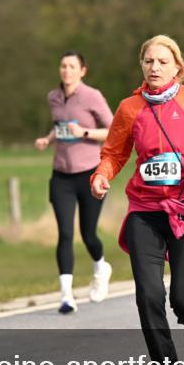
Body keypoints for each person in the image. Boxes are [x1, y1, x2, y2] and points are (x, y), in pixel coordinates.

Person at [90, 35, 184, 365]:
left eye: (163, 62)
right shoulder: (130, 107)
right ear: (142, 64)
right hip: (146, 210)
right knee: (149, 295)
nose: (155, 68)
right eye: (149, 61)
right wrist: (102, 175)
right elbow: (114, 153)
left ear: (178, 68)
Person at [34, 51, 114, 314]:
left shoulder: (92, 96)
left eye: (71, 66)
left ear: (82, 71)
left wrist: (85, 132)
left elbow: (114, 130)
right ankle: (66, 296)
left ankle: (101, 267)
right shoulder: (53, 97)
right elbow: (60, 125)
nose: (66, 70)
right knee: (65, 233)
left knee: (88, 234)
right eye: (63, 66)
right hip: (61, 175)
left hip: (89, 174)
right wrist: (48, 139)